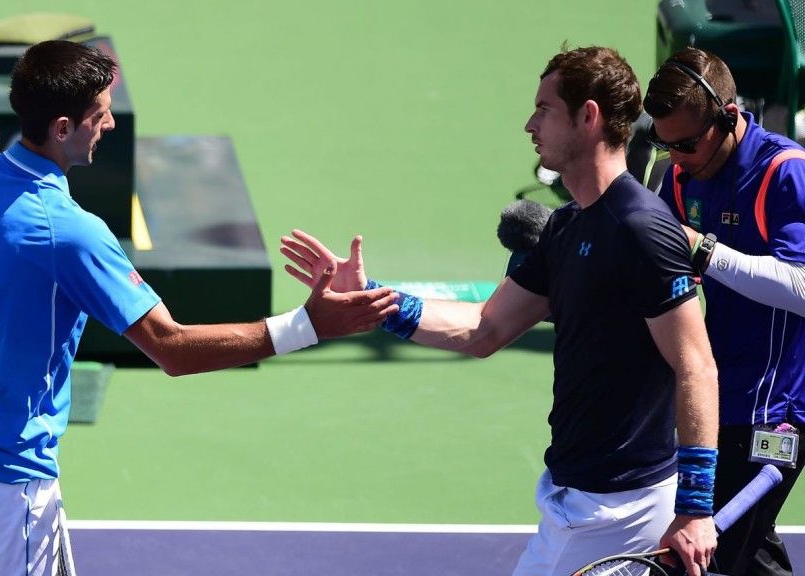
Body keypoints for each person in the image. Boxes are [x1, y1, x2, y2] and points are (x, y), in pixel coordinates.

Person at [0, 40, 399, 576]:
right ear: (63, 128)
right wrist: (308, 326)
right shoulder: (74, 234)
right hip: (4, 485)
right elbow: (172, 350)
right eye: (100, 115)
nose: (109, 125)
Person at [280, 46, 719, 576]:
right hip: (572, 497)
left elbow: (695, 364)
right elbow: (483, 328)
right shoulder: (564, 229)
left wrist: (695, 509)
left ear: (588, 116)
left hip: (621, 509)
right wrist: (374, 298)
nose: (529, 124)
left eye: (544, 109)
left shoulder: (641, 229)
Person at [644, 47, 805, 576]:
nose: (675, 156)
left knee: (711, 556)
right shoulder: (676, 177)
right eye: (663, 144)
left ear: (730, 117)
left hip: (776, 408)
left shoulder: (785, 173)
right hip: (713, 398)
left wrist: (704, 251)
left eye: (686, 143)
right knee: (746, 556)